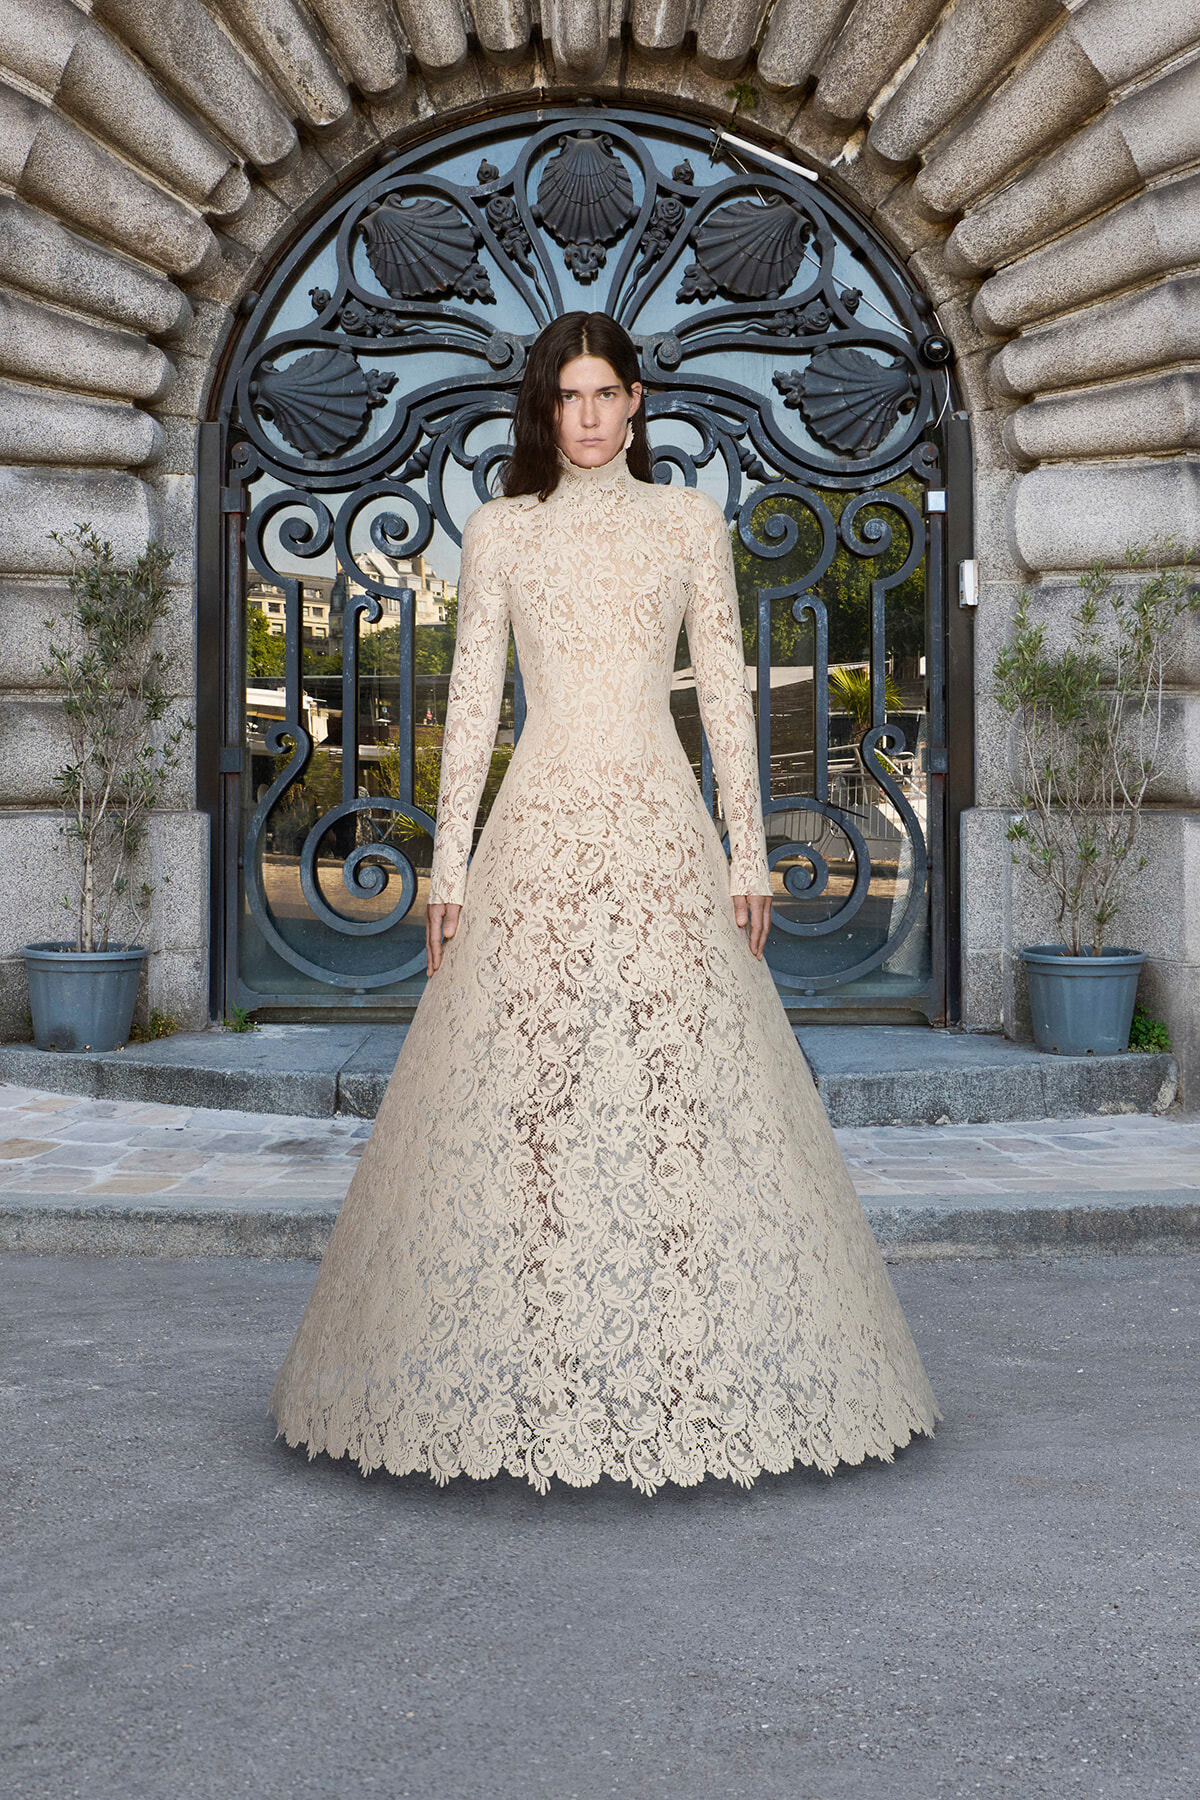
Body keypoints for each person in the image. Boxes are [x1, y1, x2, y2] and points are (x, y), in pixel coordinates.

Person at [269, 313, 939, 1492]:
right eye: (566, 396)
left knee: (676, 1083)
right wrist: (451, 869)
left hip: (659, 824)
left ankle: (684, 1350)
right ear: (547, 408)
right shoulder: (502, 531)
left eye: (603, 394)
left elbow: (726, 697)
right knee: (530, 1084)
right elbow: (472, 699)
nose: (585, 416)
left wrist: (745, 852)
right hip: (536, 828)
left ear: (636, 402)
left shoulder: (688, 523)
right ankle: (531, 1348)